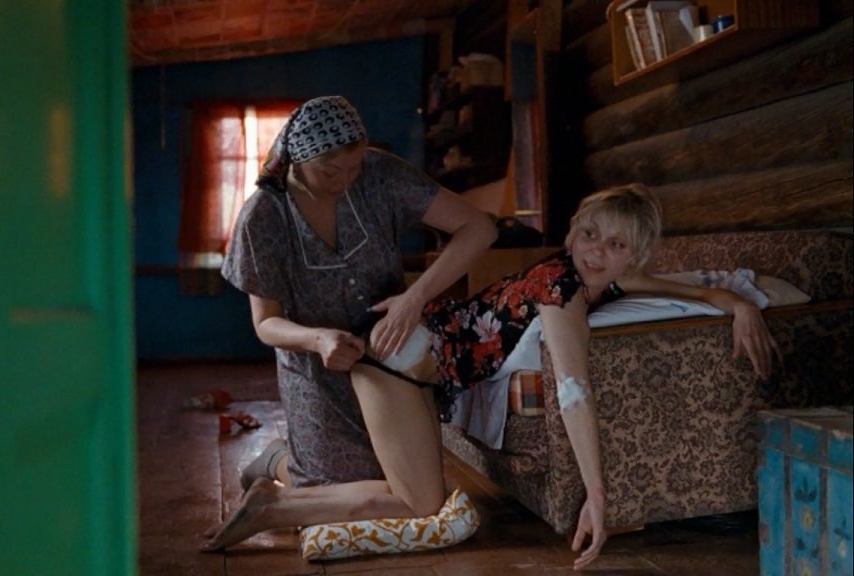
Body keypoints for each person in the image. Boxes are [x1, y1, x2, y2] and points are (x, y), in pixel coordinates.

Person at [211, 104, 779, 569]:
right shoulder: (562, 288)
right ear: (573, 230)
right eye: (590, 235)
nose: (597, 252)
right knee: (420, 503)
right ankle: (273, 509)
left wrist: (732, 302)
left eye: (615, 246)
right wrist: (599, 497)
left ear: (633, 255)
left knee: (403, 489)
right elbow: (573, 391)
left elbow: (651, 281)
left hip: (405, 355)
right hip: (391, 362)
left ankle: (278, 483)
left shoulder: (591, 273)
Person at [210, 94, 496, 545]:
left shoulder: (381, 175)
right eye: (330, 172)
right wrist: (318, 339)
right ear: (298, 162)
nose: (344, 180)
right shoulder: (262, 217)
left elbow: (480, 228)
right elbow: (266, 324)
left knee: (402, 488)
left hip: (387, 357)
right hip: (317, 369)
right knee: (348, 489)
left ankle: (278, 468)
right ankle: (279, 464)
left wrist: (415, 298)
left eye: (353, 167)